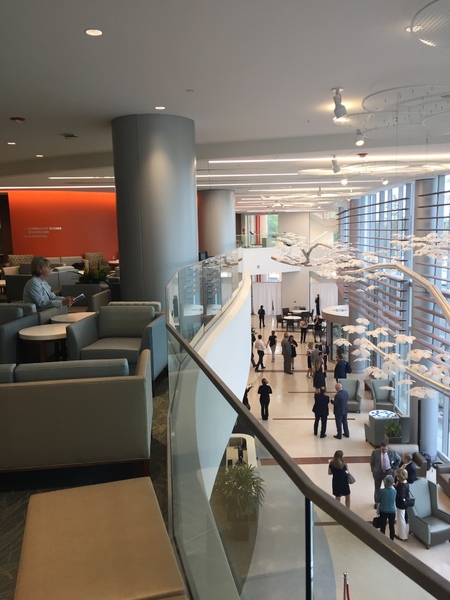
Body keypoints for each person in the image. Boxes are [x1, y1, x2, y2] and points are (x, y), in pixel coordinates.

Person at [370, 442, 401, 508]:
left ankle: (387, 502)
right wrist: (373, 470)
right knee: (377, 488)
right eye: (383, 449)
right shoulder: (375, 452)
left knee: (388, 488)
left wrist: (394, 468)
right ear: (380, 448)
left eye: (385, 449)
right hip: (378, 473)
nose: (384, 451)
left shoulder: (392, 452)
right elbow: (372, 462)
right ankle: (377, 503)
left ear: (388, 448)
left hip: (388, 473)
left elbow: (399, 459)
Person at [378, 474, 397, 540]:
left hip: (383, 510)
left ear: (385, 482)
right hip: (392, 511)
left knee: (382, 526)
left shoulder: (381, 491)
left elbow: (378, 500)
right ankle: (392, 539)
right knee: (392, 526)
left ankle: (382, 539)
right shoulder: (395, 491)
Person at [394, 468, 410, 541]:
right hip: (405, 503)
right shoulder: (405, 483)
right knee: (404, 518)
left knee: (401, 519)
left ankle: (403, 536)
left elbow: (401, 496)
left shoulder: (402, 486)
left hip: (401, 504)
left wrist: (394, 490)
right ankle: (404, 533)